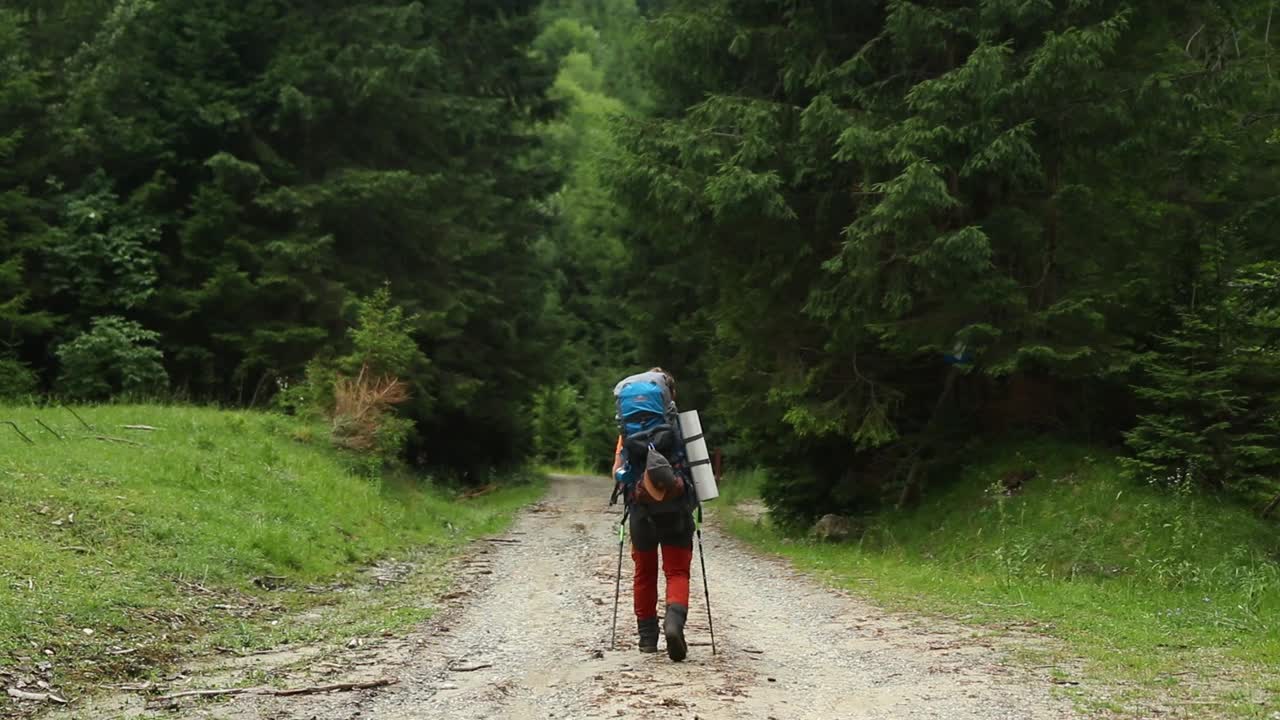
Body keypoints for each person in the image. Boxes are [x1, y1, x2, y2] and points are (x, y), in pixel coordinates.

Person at [612, 367, 697, 661]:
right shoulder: (683, 425)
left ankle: (648, 640)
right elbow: (700, 469)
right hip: (675, 507)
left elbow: (618, 473)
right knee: (676, 571)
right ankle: (674, 623)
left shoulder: (626, 432)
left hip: (641, 509)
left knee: (644, 573)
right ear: (670, 395)